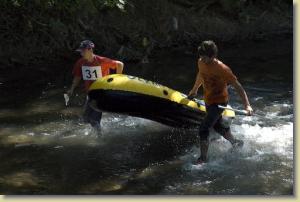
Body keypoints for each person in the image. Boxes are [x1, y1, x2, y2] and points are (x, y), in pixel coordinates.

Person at [188, 40, 253, 164]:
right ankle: (236, 143)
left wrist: (247, 105)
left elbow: (237, 86)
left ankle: (203, 159)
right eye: (200, 56)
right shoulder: (201, 62)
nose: (202, 59)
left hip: (220, 101)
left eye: (205, 57)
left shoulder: (222, 68)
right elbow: (200, 75)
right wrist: (194, 90)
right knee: (217, 126)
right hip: (208, 99)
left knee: (204, 128)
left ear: (213, 56)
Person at [67, 40, 124, 133]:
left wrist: (117, 79)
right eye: (80, 51)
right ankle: (97, 132)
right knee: (85, 119)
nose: (81, 53)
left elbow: (120, 64)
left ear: (90, 50)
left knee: (94, 120)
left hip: (102, 94)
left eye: (83, 51)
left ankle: (99, 137)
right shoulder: (80, 62)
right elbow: (77, 77)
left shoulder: (101, 60)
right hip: (90, 94)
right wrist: (71, 89)